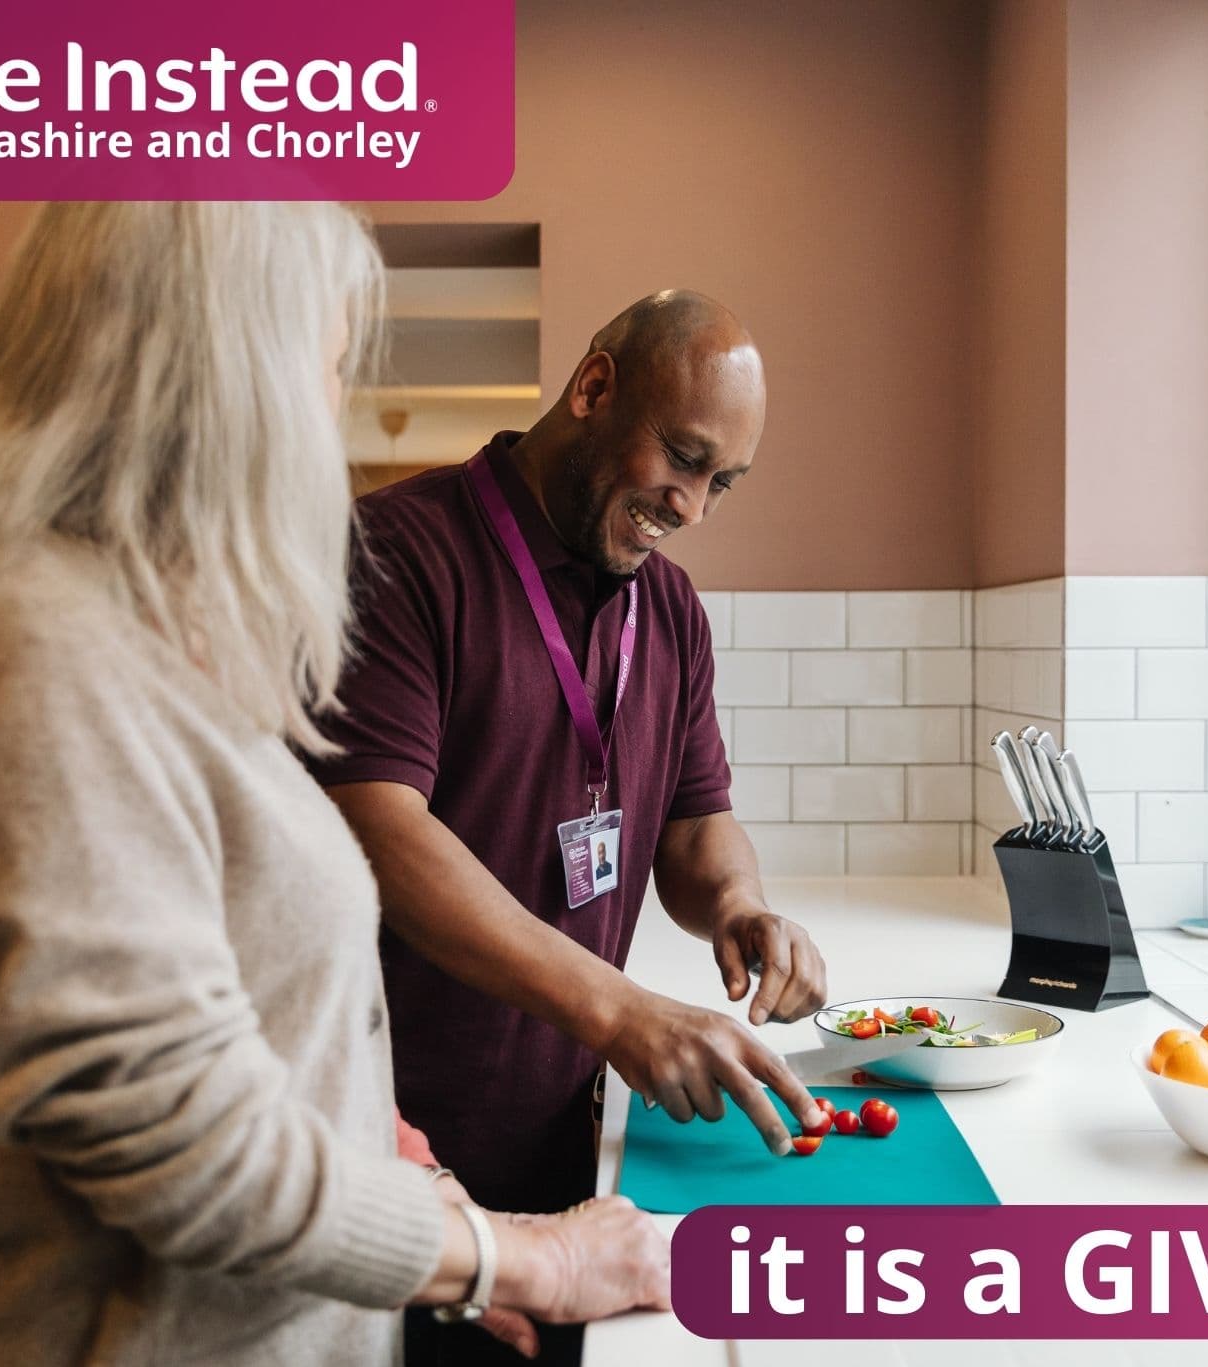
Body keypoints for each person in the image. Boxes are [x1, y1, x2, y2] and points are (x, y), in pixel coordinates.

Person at [0, 202, 668, 1367]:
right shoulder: (36, 648)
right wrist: (526, 1258)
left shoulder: (131, 630)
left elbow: (207, 985)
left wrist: (369, 1133)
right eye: (324, 366)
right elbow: (167, 1134)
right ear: (225, 374)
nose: (330, 412)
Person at [311, 290, 829, 1364]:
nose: (689, 506)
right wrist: (621, 1010)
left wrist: (739, 904)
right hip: (389, 1157)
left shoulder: (671, 609)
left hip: (569, 1138)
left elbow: (697, 827)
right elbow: (376, 831)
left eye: (720, 482)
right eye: (681, 459)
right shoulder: (396, 553)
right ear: (593, 388)